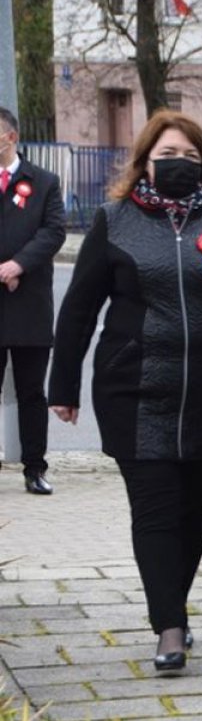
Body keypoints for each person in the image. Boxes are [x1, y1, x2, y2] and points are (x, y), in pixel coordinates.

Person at [48, 110, 202, 674]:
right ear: (145, 161)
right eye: (166, 156)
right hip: (134, 386)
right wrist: (63, 384)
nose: (178, 166)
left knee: (196, 506)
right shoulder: (114, 219)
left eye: (190, 157)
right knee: (153, 508)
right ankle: (168, 627)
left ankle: (171, 602)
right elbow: (79, 309)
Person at [0, 106, 66, 495]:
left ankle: (34, 468)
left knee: (30, 392)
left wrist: (18, 265)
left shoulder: (43, 182)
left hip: (28, 305)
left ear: (10, 137)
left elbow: (54, 230)